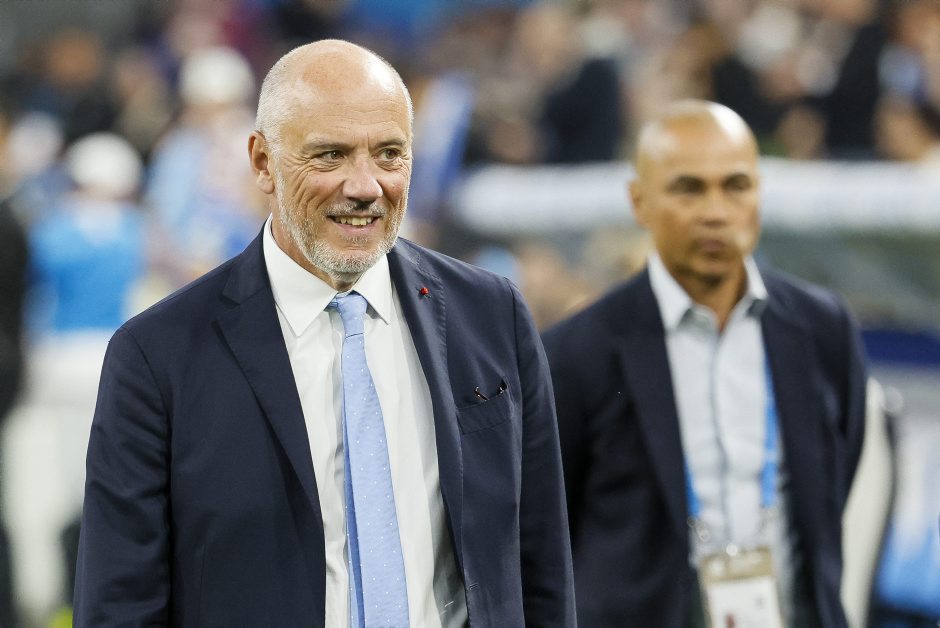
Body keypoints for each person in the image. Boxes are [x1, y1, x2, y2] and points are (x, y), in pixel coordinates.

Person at [73, 40, 574, 627]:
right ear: (263, 162)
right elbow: (119, 602)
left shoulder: (491, 315)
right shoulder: (157, 355)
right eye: (331, 155)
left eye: (389, 154)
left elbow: (541, 561)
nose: (365, 186)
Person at [542, 100, 867, 627]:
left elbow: (835, 480)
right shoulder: (577, 351)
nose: (716, 211)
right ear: (639, 202)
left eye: (736, 186)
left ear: (759, 191)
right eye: (688, 189)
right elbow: (551, 528)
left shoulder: (822, 327)